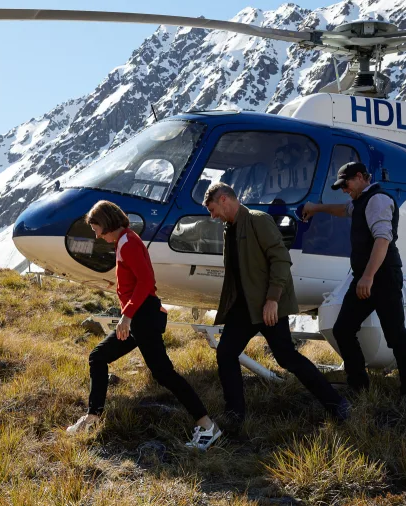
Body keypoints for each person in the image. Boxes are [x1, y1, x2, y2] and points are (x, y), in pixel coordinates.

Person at [66, 200, 222, 450]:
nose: (95, 234)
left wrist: (126, 316)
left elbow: (146, 281)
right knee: (99, 356)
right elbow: (136, 279)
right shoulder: (124, 241)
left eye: (96, 228)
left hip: (142, 317)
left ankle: (208, 427)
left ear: (106, 224)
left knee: (164, 373)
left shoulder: (127, 242)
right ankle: (93, 417)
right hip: (139, 316)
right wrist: (118, 290)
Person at [203, 183, 349, 431]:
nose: (212, 216)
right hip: (244, 308)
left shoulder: (259, 221)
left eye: (213, 209)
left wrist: (272, 299)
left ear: (225, 199)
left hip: (268, 306)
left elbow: (281, 259)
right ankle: (235, 416)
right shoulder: (230, 227)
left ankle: (337, 405)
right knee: (226, 353)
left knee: (287, 358)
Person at [302, 162, 406, 399]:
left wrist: (367, 277)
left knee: (396, 336)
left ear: (359, 177)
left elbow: (382, 240)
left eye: (345, 185)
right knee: (343, 329)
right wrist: (316, 208)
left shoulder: (377, 200)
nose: (345, 190)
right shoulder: (361, 201)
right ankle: (359, 387)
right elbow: (343, 210)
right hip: (363, 278)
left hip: (383, 277)